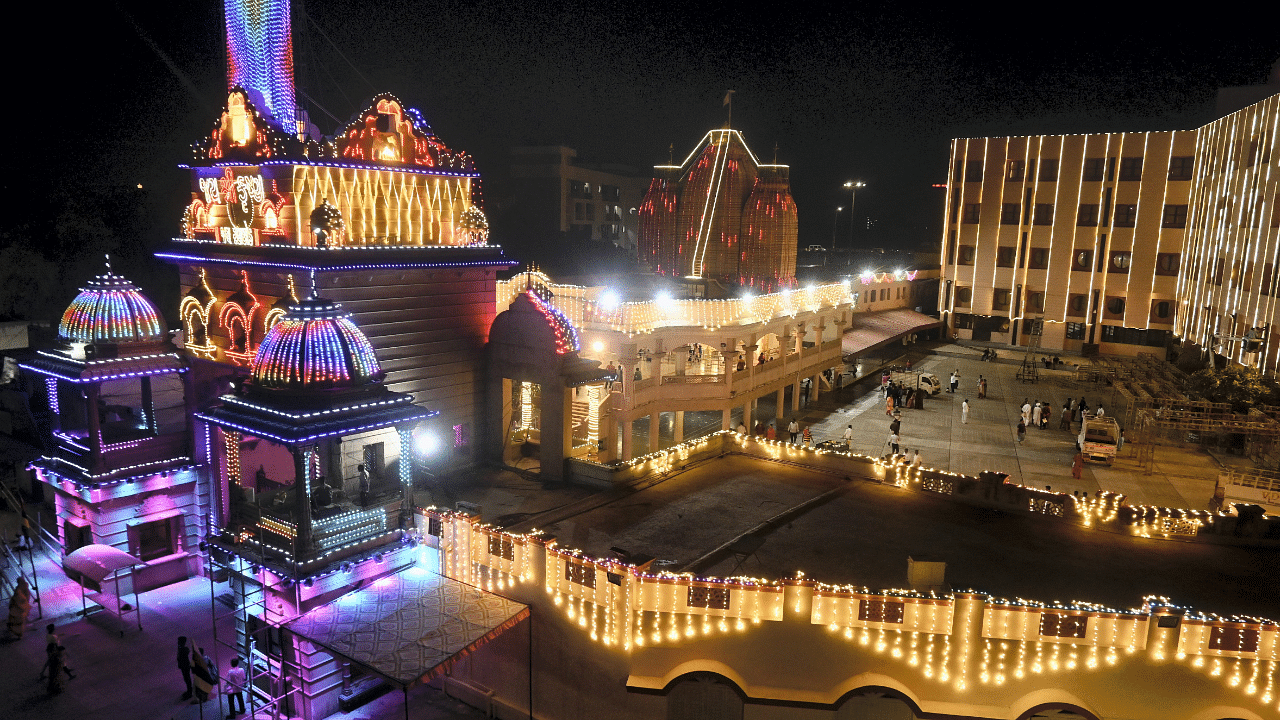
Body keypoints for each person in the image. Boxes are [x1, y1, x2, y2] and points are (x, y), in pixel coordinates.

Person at [178, 635, 194, 700]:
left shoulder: (183, 649)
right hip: (184, 665)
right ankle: (189, 690)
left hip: (185, 666)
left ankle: (189, 692)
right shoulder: (182, 649)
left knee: (187, 678)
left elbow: (181, 658)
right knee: (186, 678)